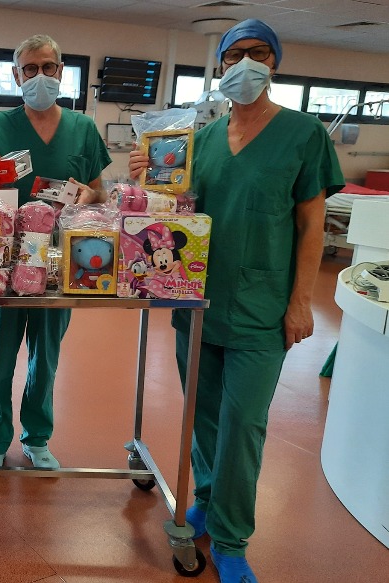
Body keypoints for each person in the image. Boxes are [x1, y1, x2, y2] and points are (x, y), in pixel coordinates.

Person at [129, 19, 343, 583]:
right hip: (198, 303)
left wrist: (300, 302)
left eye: (259, 53)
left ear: (274, 64)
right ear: (220, 64)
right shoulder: (199, 141)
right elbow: (171, 215)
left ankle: (230, 538)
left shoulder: (304, 135)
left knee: (243, 424)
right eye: (234, 55)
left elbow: (312, 226)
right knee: (202, 417)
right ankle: (206, 498)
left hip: (262, 308)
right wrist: (148, 177)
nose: (245, 64)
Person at [0, 34, 111, 474]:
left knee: (46, 354)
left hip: (59, 262)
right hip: (0, 261)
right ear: (17, 76)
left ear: (61, 71)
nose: (40, 76)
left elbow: (101, 191)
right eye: (30, 69)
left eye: (48, 67)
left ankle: (37, 437)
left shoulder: (83, 129)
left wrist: (88, 195)